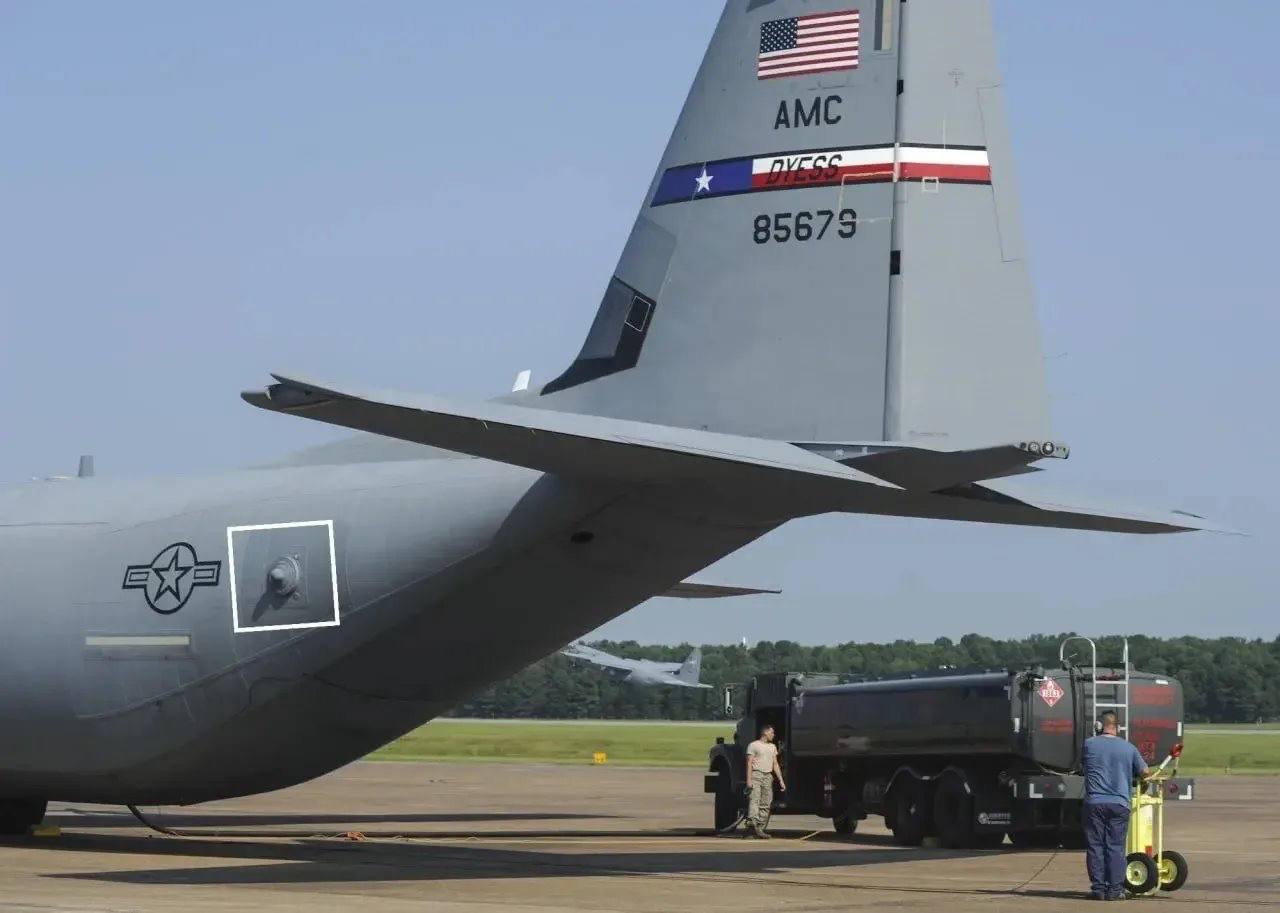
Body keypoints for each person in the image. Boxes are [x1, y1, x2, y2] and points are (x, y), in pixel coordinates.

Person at [1081, 711, 1150, 901]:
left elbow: (1082, 765)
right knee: (1116, 847)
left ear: (1099, 726)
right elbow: (1145, 771)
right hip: (1119, 803)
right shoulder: (1129, 747)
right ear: (1117, 727)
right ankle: (1115, 890)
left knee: (1096, 846)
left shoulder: (1089, 744)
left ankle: (1098, 889)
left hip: (1094, 803)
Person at [744, 723, 785, 838]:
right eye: (772, 732)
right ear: (765, 732)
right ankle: (751, 825)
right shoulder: (753, 745)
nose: (773, 735)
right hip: (756, 775)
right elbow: (749, 763)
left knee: (766, 802)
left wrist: (781, 780)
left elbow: (775, 764)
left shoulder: (772, 747)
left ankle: (760, 828)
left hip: (768, 776)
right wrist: (749, 780)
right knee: (754, 800)